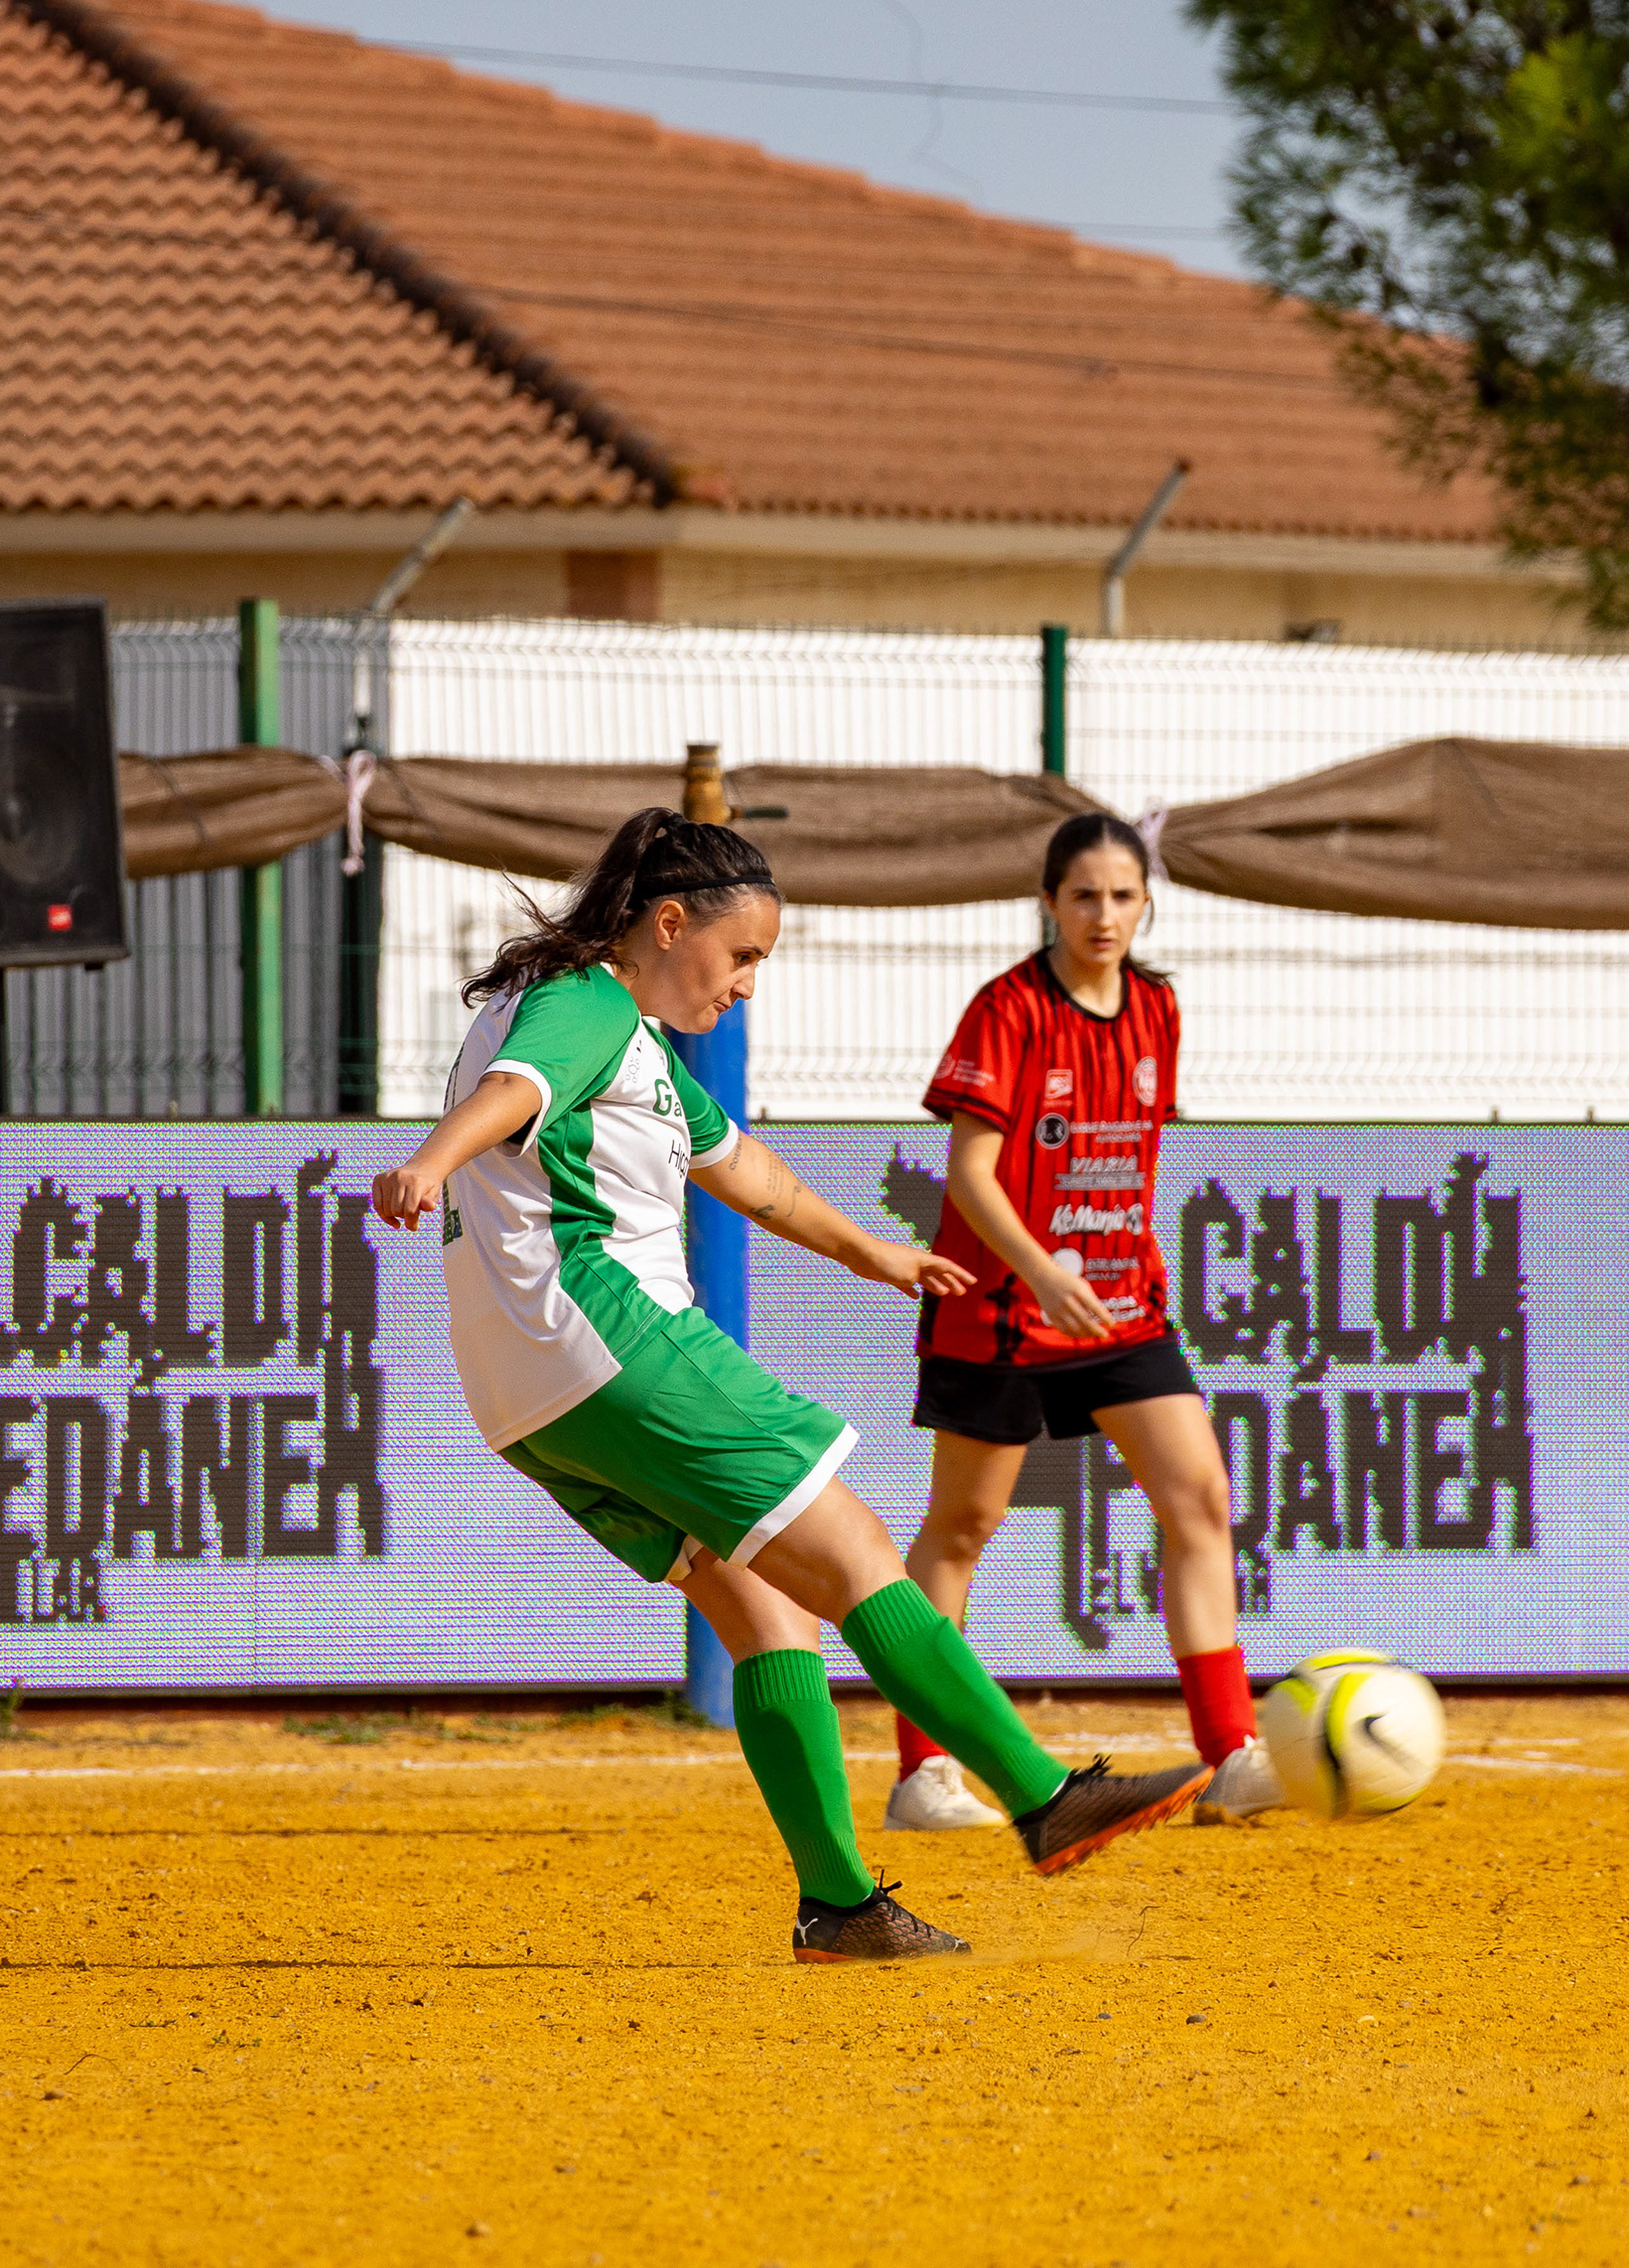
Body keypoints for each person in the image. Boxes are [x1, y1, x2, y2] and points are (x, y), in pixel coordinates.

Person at [369, 809, 1210, 1966]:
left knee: (765, 1609)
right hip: (607, 1336)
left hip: (526, 1394)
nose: (747, 984)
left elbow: (748, 1170)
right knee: (858, 1550)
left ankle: (841, 1906)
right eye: (742, 954)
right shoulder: (588, 1006)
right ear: (670, 923)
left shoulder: (618, 1040)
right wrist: (430, 1158)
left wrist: (873, 1251)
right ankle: (1044, 1795)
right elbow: (517, 1090)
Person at [882, 812, 1284, 1834]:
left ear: (1147, 903)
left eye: (1123, 896)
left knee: (1201, 1499)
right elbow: (970, 1172)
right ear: (1050, 902)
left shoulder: (1156, 1008)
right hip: (1002, 1306)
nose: (1104, 914)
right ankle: (924, 1773)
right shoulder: (1008, 1008)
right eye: (1084, 895)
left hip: (1120, 1305)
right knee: (962, 1528)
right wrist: (1038, 1272)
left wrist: (1098, 1270)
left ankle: (1231, 1754)